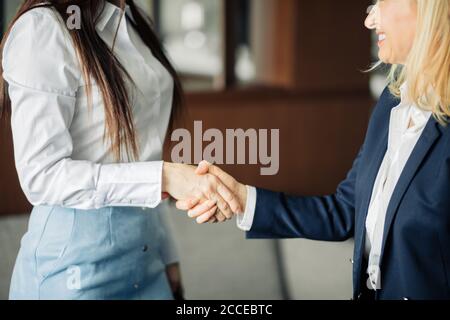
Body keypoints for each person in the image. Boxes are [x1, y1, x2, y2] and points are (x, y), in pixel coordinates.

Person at [180, 0, 450, 300]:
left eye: (381, 2)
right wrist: (242, 199)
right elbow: (345, 210)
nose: (369, 20)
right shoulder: (391, 102)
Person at [0, 0, 241, 300]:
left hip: (147, 263)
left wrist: (167, 254)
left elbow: (144, 155)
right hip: (74, 275)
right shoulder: (43, 28)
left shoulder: (133, 21)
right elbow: (41, 176)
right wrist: (165, 177)